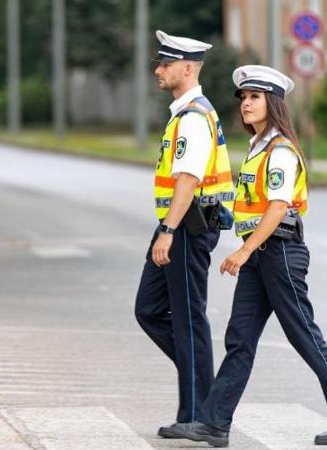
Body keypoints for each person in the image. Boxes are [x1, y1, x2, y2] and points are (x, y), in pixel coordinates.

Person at [178, 65, 327, 447]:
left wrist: (243, 250)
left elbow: (279, 207)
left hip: (280, 253)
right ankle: (216, 424)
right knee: (240, 338)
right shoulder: (258, 149)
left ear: (274, 104)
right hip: (260, 256)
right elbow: (254, 204)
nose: (246, 104)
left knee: (303, 335)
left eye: (255, 97)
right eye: (244, 98)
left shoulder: (280, 150)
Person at [134, 30, 235, 439]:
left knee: (189, 319)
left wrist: (167, 231)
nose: (158, 70)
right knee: (150, 309)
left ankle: (197, 414)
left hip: (187, 230)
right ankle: (204, 398)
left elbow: (188, 180)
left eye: (166, 63)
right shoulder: (184, 114)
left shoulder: (194, 117)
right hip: (180, 229)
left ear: (188, 68)